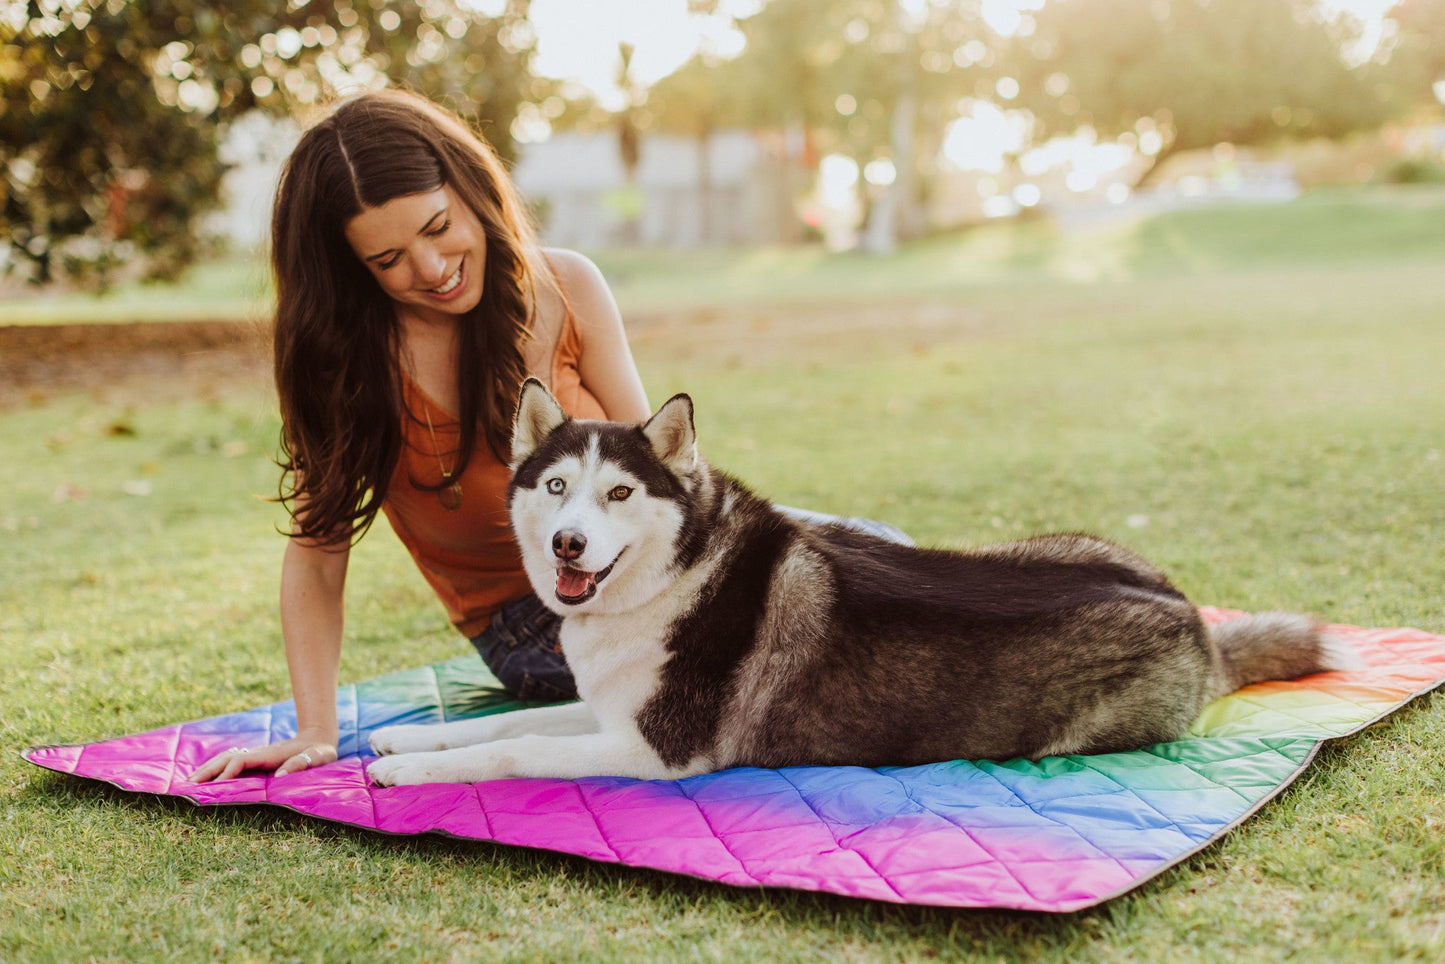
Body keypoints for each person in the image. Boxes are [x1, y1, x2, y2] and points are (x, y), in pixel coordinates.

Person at [189, 89, 651, 782]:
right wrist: (315, 730)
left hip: (645, 568)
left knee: (861, 562)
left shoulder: (567, 285)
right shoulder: (347, 364)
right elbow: (317, 555)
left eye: (438, 227)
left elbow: (662, 477)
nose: (431, 270)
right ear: (354, 268)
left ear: (470, 191)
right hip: (532, 618)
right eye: (388, 260)